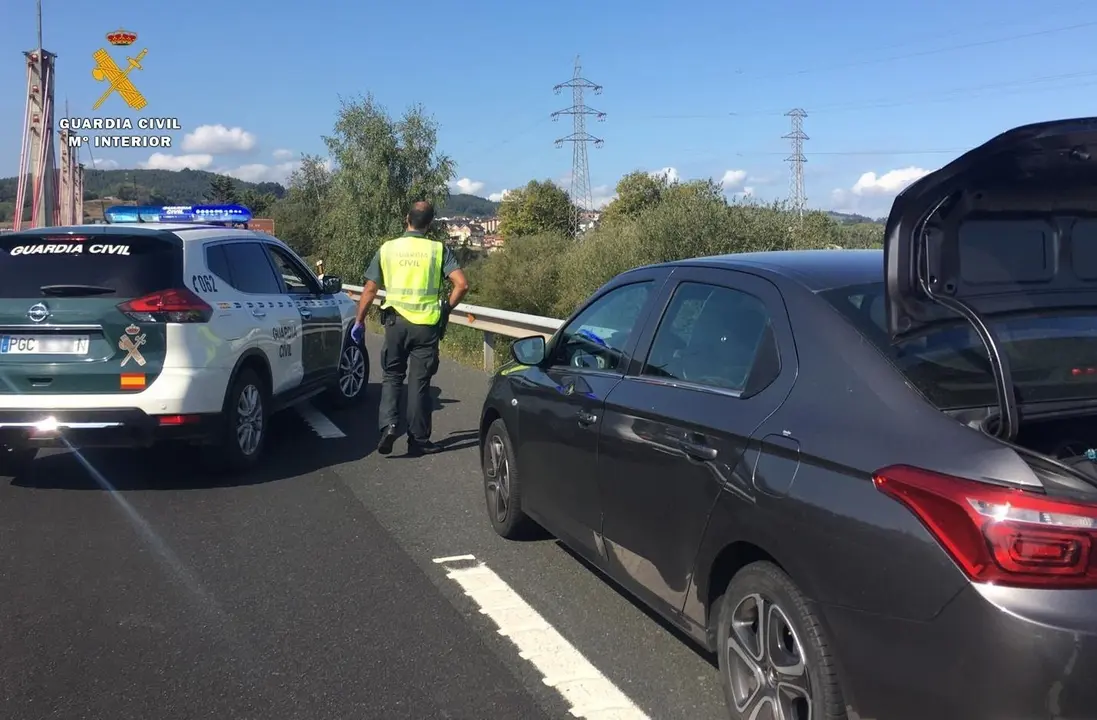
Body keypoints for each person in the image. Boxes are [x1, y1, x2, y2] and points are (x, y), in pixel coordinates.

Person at [351, 200, 469, 456]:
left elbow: (370, 289)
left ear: (407, 218)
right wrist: (446, 309)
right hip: (426, 326)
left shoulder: (388, 249)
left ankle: (389, 426)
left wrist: (359, 320)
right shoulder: (438, 250)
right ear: (429, 224)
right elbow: (462, 284)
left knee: (392, 376)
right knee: (419, 382)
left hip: (395, 323)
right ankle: (418, 439)